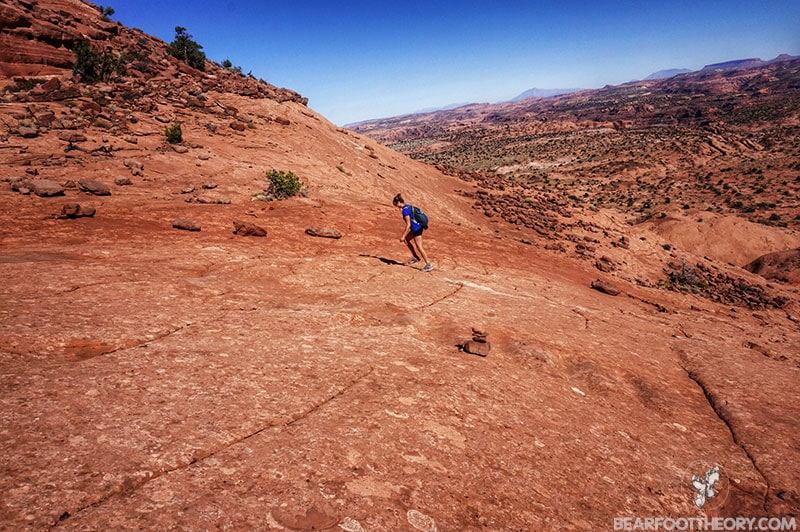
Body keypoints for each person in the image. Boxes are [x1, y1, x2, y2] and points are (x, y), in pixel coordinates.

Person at [393, 193, 433, 272]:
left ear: (398, 203)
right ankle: (415, 257)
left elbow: (408, 224)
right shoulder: (408, 206)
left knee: (419, 246)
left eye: (395, 205)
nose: (396, 207)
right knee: (407, 240)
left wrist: (403, 236)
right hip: (418, 227)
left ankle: (428, 264)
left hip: (416, 229)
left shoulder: (405, 211)